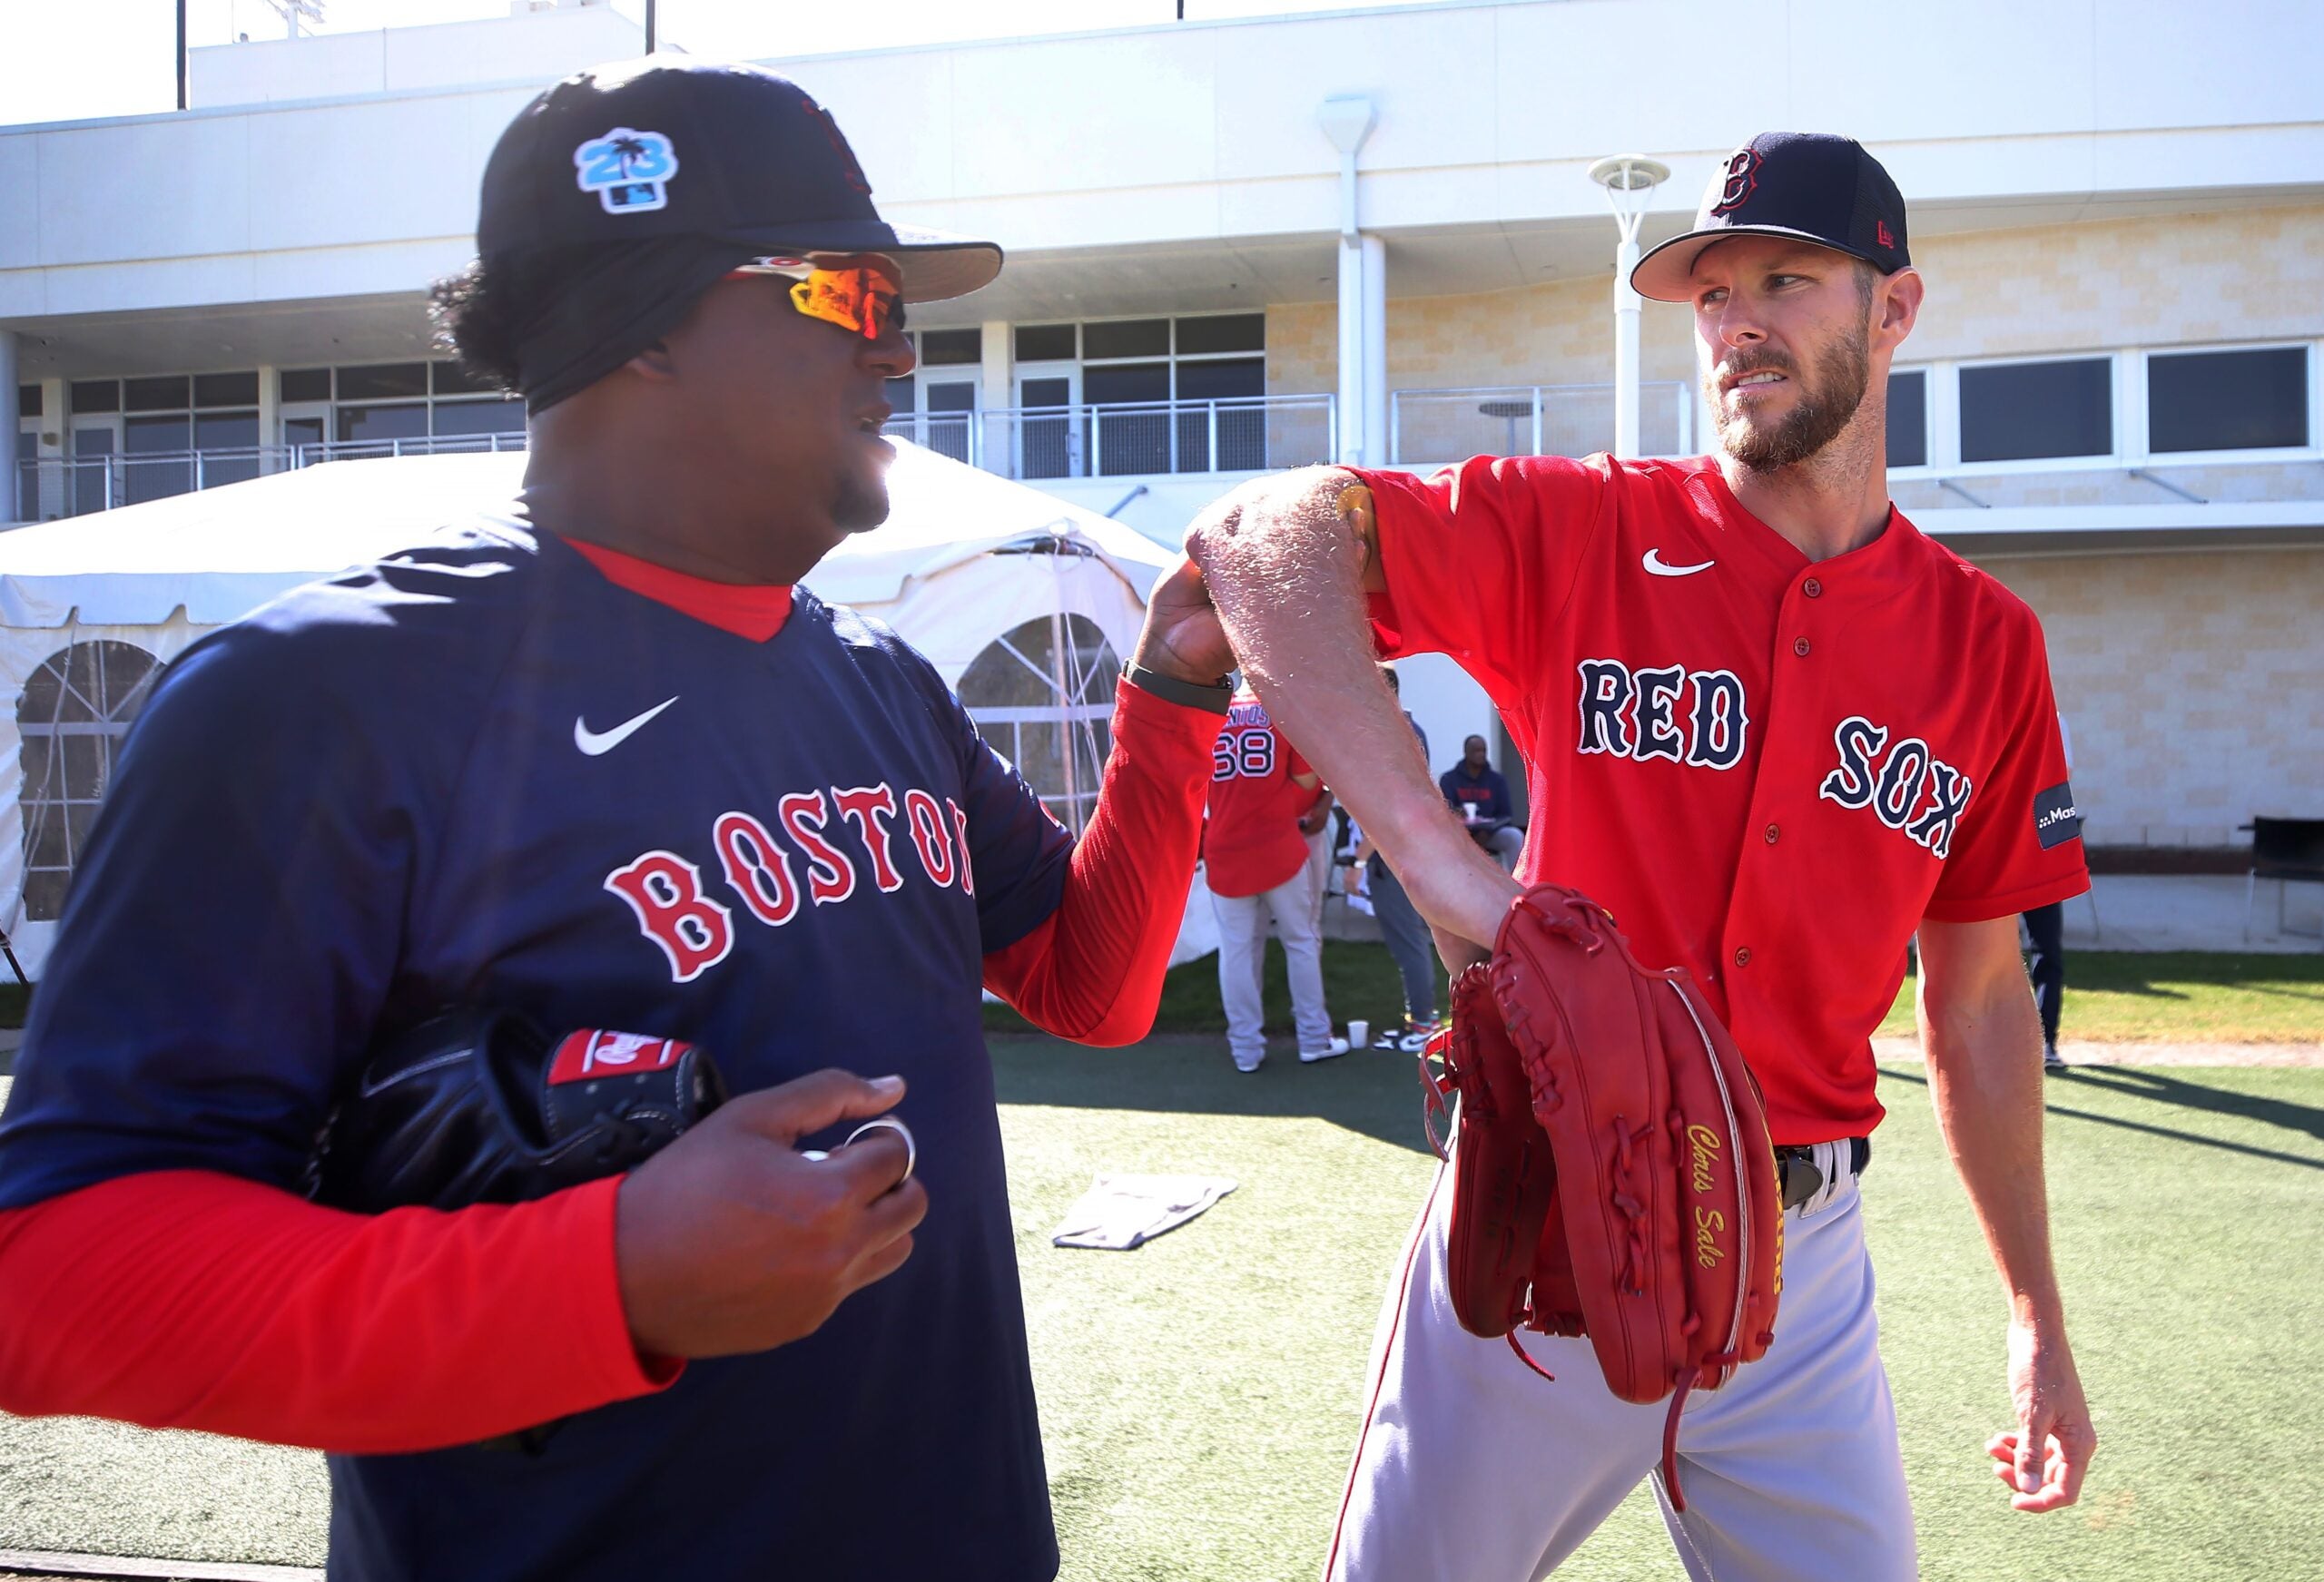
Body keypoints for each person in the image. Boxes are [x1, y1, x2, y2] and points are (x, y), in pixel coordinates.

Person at [0, 60, 1236, 1582]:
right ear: (642, 317)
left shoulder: (881, 676)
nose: (905, 347)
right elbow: (52, 1278)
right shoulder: (316, 697)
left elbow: (1093, 990)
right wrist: (607, 1276)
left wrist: (1172, 700)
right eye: (854, 295)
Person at [1188, 132, 2094, 1581]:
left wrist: (2036, 1311)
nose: (1739, 321)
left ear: (1895, 309)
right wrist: (1432, 855)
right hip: (1548, 1228)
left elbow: (1982, 1000)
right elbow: (1254, 533)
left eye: (1787, 280)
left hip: (1805, 1262)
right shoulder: (1586, 526)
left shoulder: (1986, 644)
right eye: (1711, 291)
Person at [1206, 683, 1348, 1070]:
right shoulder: (1281, 708)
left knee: (1235, 951)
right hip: (1277, 845)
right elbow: (1307, 780)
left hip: (1225, 848)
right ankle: (1313, 1039)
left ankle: (1245, 1050)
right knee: (1300, 942)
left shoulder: (1212, 711)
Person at [1344, 665, 1442, 1048]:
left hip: (1393, 855)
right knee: (1409, 941)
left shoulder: (1395, 735)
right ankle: (1419, 1020)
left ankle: (1422, 1025)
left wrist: (1358, 861)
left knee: (1409, 941)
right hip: (1402, 852)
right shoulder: (1404, 731)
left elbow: (1389, 809)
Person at [1441, 733, 1525, 870]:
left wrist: (1488, 831)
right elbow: (1446, 810)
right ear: (1466, 752)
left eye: (1483, 750)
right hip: (1461, 834)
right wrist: (1458, 815)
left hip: (1489, 833)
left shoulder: (1496, 780)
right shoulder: (1449, 779)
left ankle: (1517, 883)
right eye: (1476, 751)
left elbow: (1505, 815)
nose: (1481, 754)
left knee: (1514, 836)